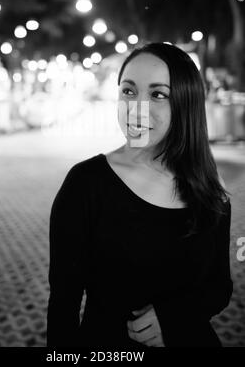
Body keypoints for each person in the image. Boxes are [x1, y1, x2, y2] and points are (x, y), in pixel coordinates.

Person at [46, 43, 233, 348]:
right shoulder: (85, 184)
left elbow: (219, 287)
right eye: (129, 92)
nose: (136, 108)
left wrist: (175, 317)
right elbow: (63, 306)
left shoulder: (209, 186)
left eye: (158, 95)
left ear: (186, 103)